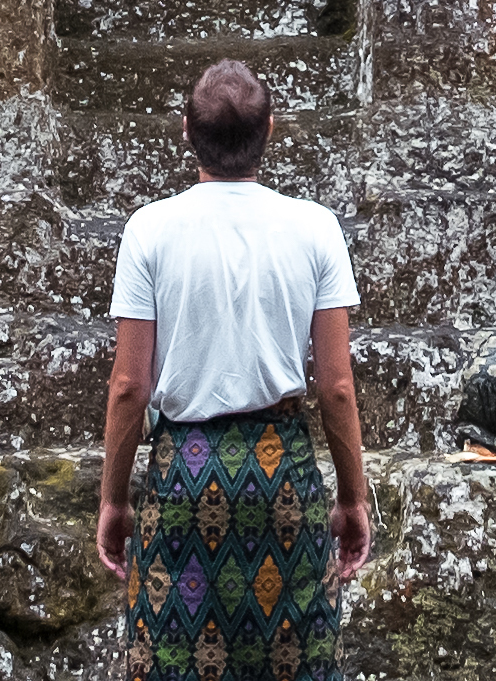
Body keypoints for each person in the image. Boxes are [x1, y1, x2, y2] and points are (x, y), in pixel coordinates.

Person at [94, 57, 370, 677]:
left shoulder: (149, 231)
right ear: (270, 129)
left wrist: (114, 500)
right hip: (284, 478)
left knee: (173, 660)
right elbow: (337, 389)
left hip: (183, 481)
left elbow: (130, 387)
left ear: (186, 130)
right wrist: (353, 501)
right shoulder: (315, 229)